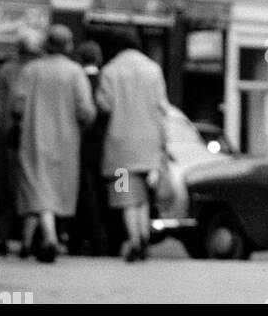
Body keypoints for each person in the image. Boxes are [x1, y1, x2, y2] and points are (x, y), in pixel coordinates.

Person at [11, 24, 96, 263]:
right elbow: (86, 111)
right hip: (66, 141)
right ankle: (49, 238)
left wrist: (21, 119)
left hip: (34, 138)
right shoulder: (75, 72)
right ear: (68, 45)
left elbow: (17, 106)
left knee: (36, 187)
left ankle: (38, 241)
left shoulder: (30, 70)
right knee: (52, 191)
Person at [95, 27, 168, 262]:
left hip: (120, 146)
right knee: (143, 196)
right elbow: (162, 107)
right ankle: (144, 234)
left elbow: (104, 105)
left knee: (125, 196)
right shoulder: (153, 69)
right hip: (148, 143)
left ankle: (135, 239)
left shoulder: (109, 71)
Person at [0, 30, 41, 255]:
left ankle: (4, 239)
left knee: (5, 190)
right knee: (32, 187)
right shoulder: (43, 70)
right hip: (36, 137)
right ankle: (30, 240)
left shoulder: (7, 69)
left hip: (8, 137)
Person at [70, 40, 110, 255]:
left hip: (78, 146)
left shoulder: (75, 79)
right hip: (105, 148)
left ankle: (78, 239)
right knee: (101, 193)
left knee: (82, 194)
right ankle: (101, 239)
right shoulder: (105, 81)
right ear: (99, 58)